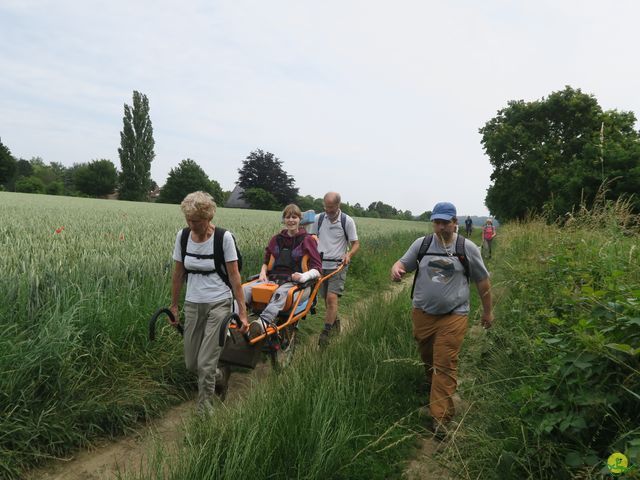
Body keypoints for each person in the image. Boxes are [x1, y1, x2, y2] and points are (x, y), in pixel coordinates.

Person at [390, 201, 493, 438]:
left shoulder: (466, 248)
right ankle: (433, 386)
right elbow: (402, 263)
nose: (440, 226)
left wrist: (488, 312)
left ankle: (441, 419)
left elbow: (483, 281)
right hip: (423, 314)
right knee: (428, 357)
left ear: (455, 222)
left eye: (445, 222)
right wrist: (396, 269)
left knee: (445, 364)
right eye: (437, 222)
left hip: (454, 315)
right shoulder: (422, 244)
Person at [170, 191, 249, 413]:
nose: (191, 225)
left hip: (219, 303)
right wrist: (174, 306)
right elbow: (178, 274)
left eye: (196, 221)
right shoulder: (183, 237)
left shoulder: (224, 238)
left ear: (208, 217)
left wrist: (242, 312)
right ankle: (218, 375)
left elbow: (234, 277)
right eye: (188, 220)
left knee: (205, 362)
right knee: (192, 363)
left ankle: (204, 411)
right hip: (193, 303)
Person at [243, 204, 322, 335]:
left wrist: (303, 277)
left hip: (297, 284)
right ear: (284, 219)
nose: (291, 220)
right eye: (287, 217)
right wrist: (263, 272)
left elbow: (317, 269)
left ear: (299, 219)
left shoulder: (308, 240)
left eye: (294, 217)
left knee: (280, 293)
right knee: (244, 289)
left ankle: (262, 323)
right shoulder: (276, 239)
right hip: (272, 279)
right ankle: (234, 320)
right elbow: (266, 262)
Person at [313, 192, 360, 346]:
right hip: (320, 266)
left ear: (338, 205)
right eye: (325, 207)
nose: (328, 210)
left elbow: (355, 243)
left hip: (338, 266)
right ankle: (336, 322)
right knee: (326, 301)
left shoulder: (347, 221)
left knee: (331, 298)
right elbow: (312, 238)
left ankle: (325, 335)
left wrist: (349, 255)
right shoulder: (318, 219)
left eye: (331, 207)